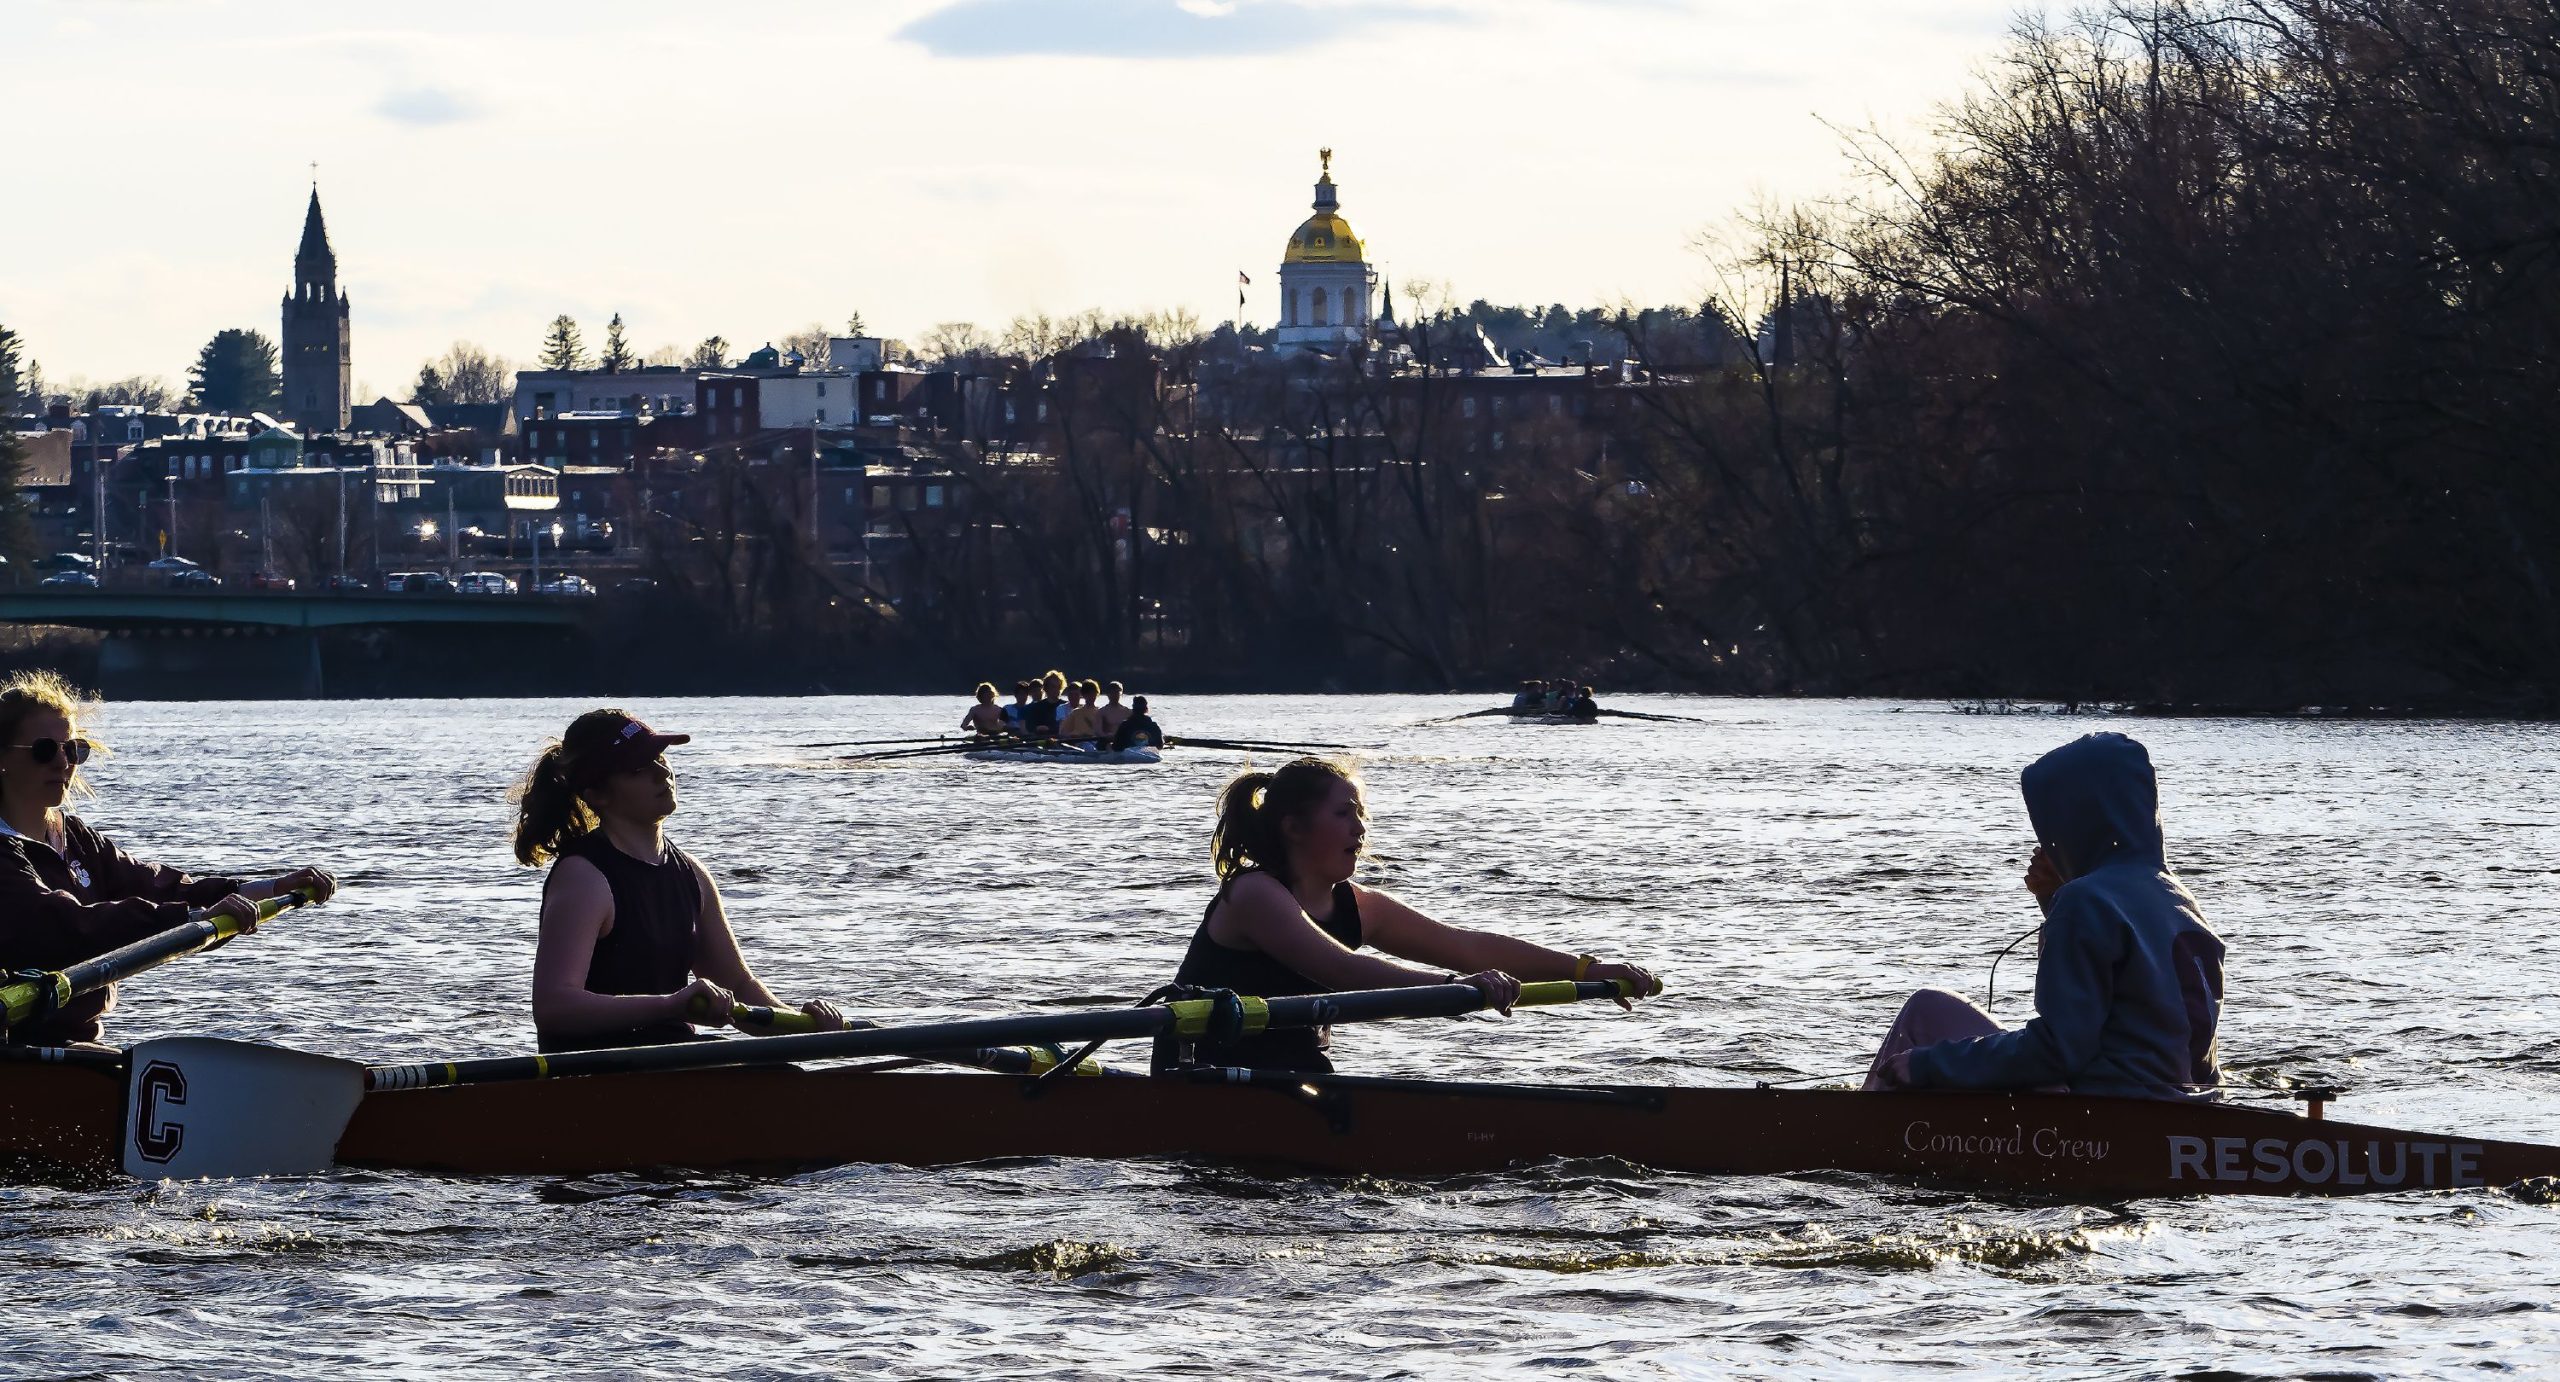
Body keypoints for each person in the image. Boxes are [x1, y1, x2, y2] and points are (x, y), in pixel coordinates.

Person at [1162, 757, 1659, 1073]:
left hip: (1296, 1065)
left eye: (1360, 813)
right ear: (1293, 827)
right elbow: (1340, 970)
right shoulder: (1254, 893)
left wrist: (1586, 969)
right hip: (1205, 1067)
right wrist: (1456, 987)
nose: (1360, 828)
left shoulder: (1357, 905)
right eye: (1343, 814)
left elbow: (1469, 947)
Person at [1866, 732, 2226, 1099]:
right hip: (2186, 1106)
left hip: (2107, 1114)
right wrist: (2051, 900)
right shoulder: (2177, 899)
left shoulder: (2085, 899)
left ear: (2075, 820)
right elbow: (2122, 1010)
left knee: (1926, 1008)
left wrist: (1925, 1064)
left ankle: (1858, 1133)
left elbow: (2058, 1050)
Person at [0, 671, 338, 1046]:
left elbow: (157, 884)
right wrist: (188, 920)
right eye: (45, 750)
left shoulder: (74, 836)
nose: (63, 763)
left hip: (78, 1042)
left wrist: (265, 888)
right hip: (18, 1048)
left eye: (74, 749)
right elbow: (70, 925)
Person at [514, 709, 848, 1053]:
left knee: (785, 1077)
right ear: (598, 793)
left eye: (659, 758)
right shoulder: (583, 877)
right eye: (639, 768)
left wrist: (807, 1028)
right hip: (596, 1077)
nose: (662, 773)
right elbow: (555, 1008)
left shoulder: (692, 874)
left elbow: (737, 984)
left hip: (671, 1066)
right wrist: (672, 1005)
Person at [1058, 680, 1106, 744]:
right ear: (1083, 695)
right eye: (1088, 694)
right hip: (1081, 743)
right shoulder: (1076, 712)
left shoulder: (1101, 712)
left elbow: (1105, 732)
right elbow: (1062, 733)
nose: (1091, 697)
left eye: (1093, 693)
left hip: (1097, 742)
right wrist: (1072, 736)